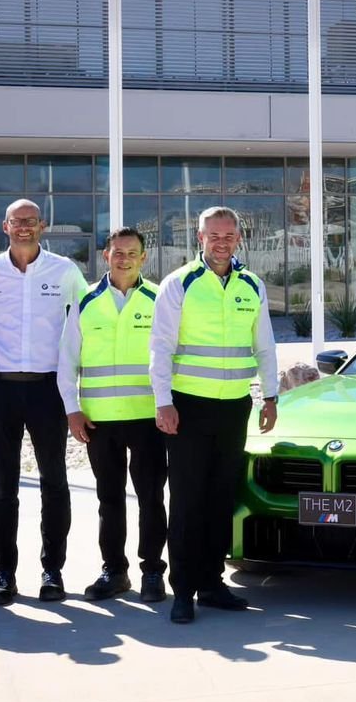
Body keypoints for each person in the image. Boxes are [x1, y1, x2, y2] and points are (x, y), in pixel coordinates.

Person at [150, 206, 279, 625]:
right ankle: (183, 591)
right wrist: (163, 402)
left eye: (228, 235)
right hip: (188, 407)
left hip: (234, 406)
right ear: (199, 238)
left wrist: (271, 396)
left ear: (239, 238)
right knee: (187, 501)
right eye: (213, 235)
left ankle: (211, 584)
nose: (221, 243)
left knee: (221, 498)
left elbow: (264, 345)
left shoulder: (252, 285)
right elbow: (160, 347)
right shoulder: (180, 283)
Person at [0, 199, 89, 605]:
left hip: (47, 389)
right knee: (4, 484)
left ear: (42, 226)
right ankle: (4, 573)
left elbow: (83, 319)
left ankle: (53, 571)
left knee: (54, 481)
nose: (24, 227)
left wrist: (73, 374)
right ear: (5, 226)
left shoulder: (64, 271)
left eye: (31, 221)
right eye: (17, 221)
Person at [58, 228, 168, 604]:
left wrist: (167, 405)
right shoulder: (86, 300)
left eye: (132, 253)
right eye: (118, 252)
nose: (124, 259)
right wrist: (72, 410)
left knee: (151, 498)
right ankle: (114, 571)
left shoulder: (159, 299)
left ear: (143, 258)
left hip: (147, 418)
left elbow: (172, 355)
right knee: (109, 499)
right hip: (99, 419)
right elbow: (67, 360)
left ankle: (152, 571)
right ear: (106, 256)